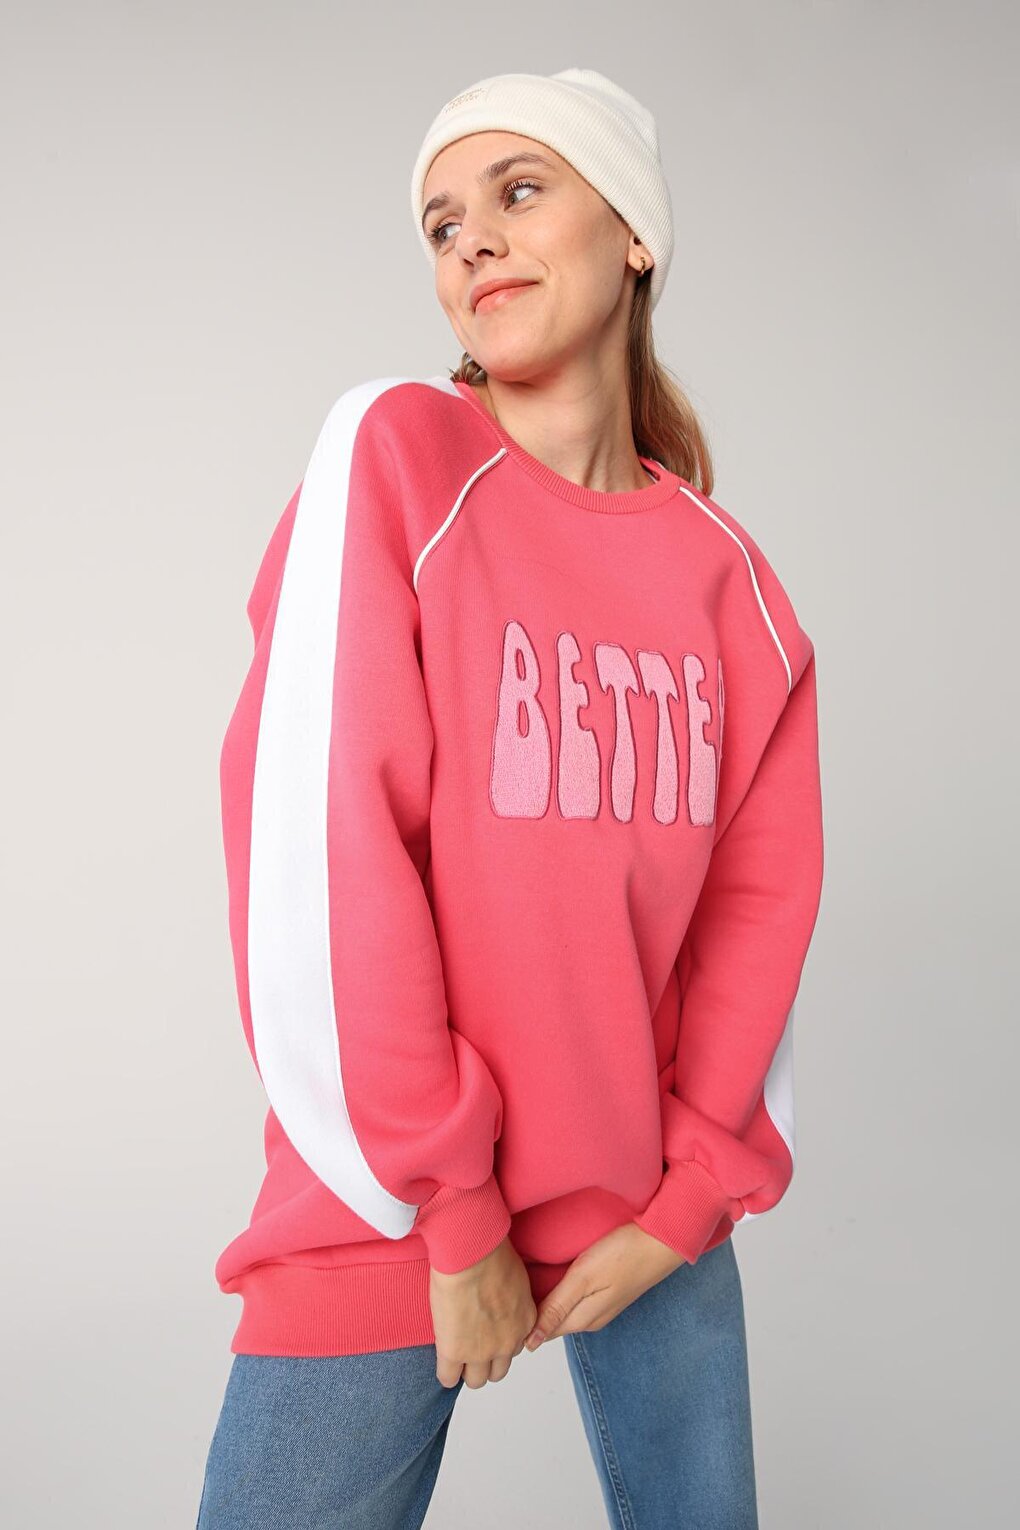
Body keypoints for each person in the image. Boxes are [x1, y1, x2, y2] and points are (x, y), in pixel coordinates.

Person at [196, 66, 824, 1530]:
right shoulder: (398, 458)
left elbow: (755, 922)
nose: (471, 237)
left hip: (646, 1219)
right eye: (441, 223)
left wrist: (688, 1204)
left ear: (636, 234)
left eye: (520, 191)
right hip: (397, 1214)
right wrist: (455, 1210)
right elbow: (328, 852)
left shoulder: (732, 582)